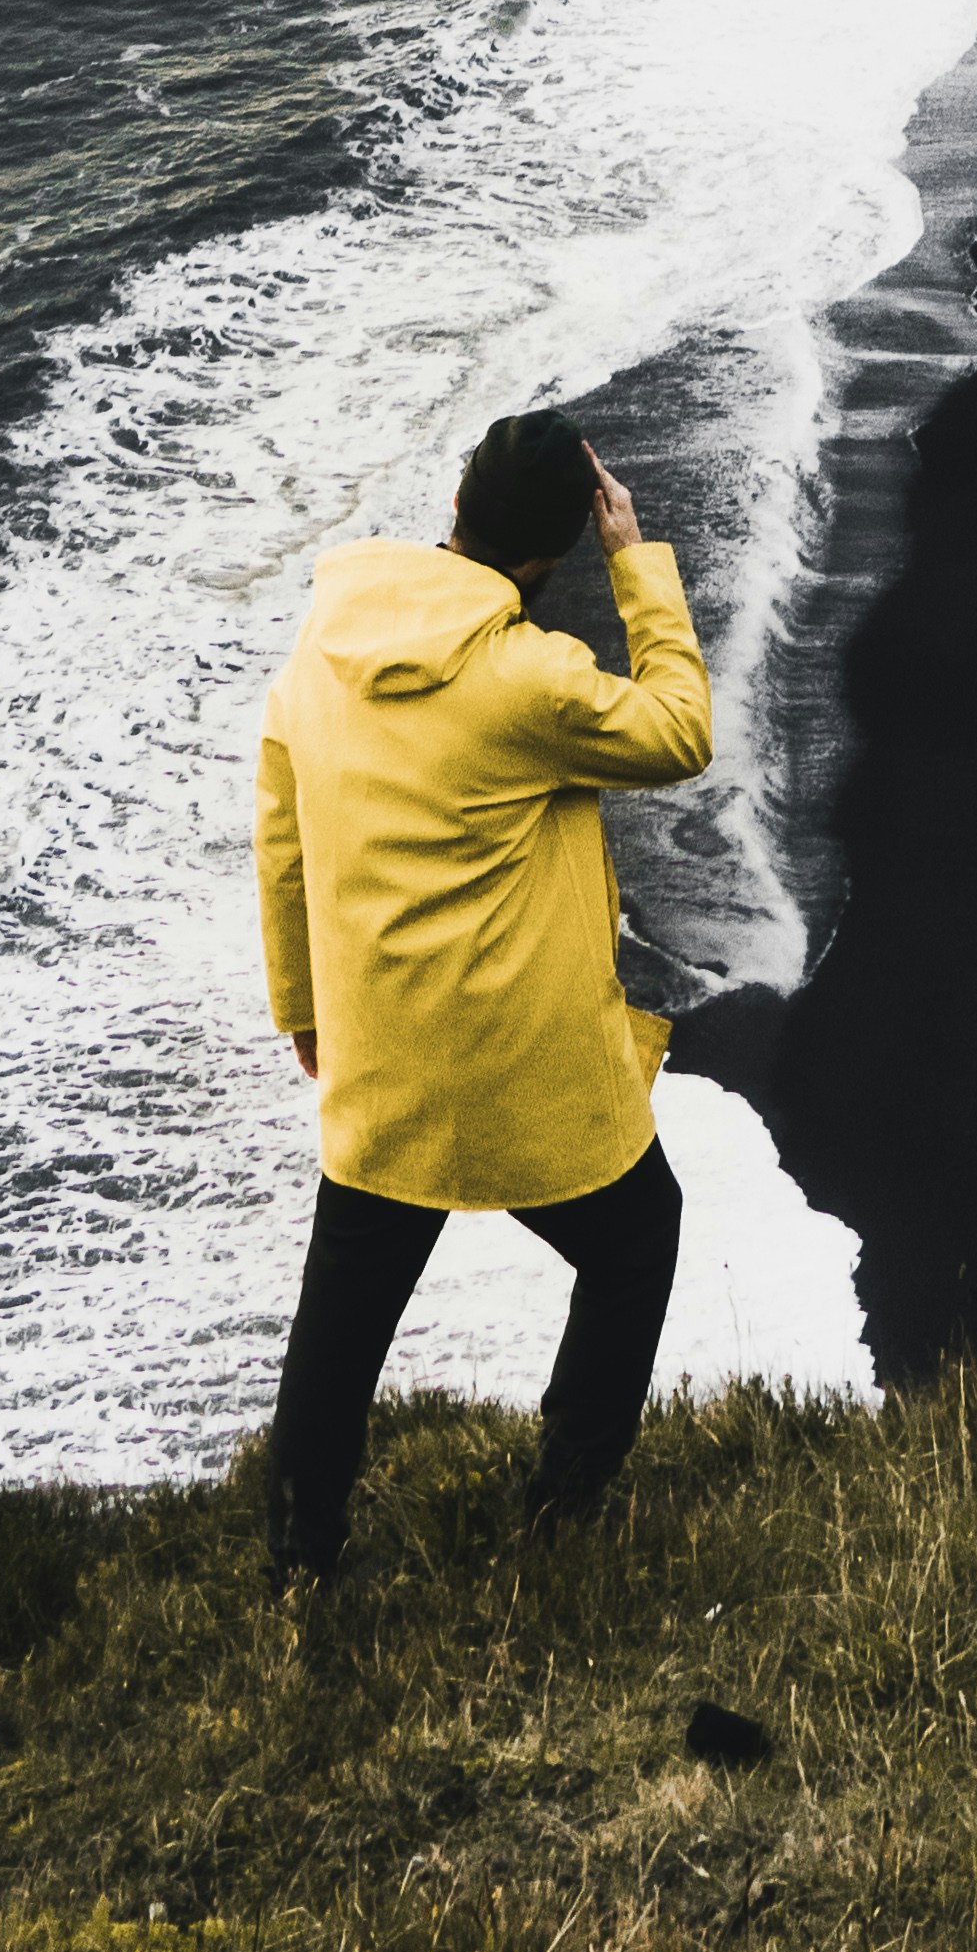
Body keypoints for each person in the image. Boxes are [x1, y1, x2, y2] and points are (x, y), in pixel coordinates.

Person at [249, 407, 712, 1585]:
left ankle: (301, 1559)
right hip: (516, 1061)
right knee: (634, 1237)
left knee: (341, 1321)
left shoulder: (323, 639)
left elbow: (282, 838)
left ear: (452, 508)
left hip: (384, 1051)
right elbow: (679, 728)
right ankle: (564, 1505)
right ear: (552, 552)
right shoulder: (528, 678)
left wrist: (303, 1008)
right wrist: (635, 563)